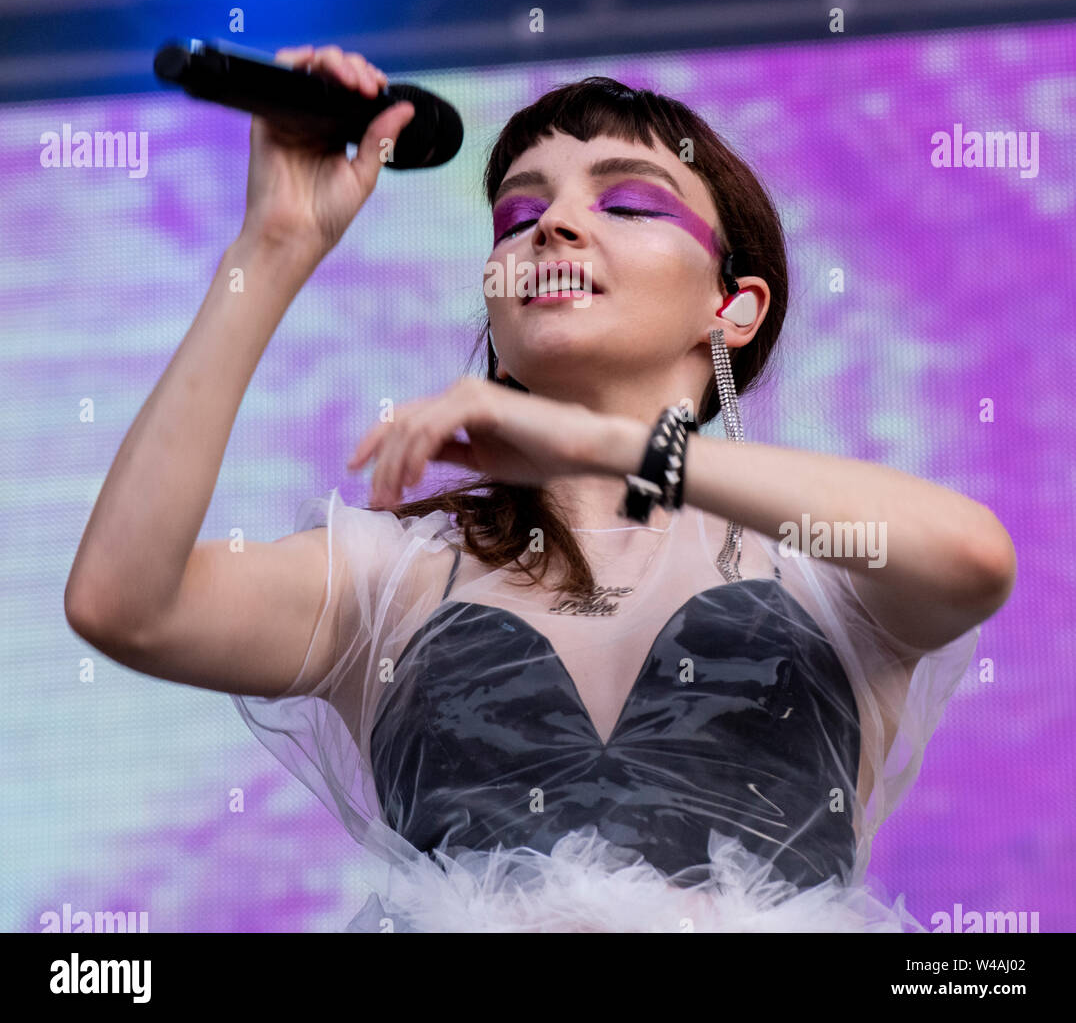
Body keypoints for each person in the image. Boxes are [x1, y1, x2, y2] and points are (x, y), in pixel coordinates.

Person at [65, 45, 1016, 934]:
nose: (553, 225)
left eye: (629, 206)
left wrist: (616, 447)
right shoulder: (391, 576)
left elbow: (972, 559)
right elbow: (125, 604)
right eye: (518, 217)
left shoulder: (820, 564)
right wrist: (271, 248)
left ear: (733, 307)